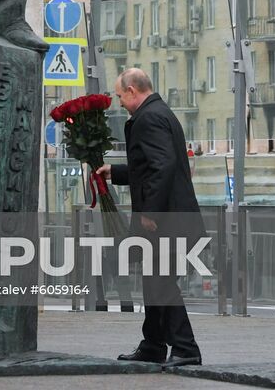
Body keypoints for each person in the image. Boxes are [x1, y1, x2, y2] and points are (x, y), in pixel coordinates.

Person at [96, 68, 204, 368]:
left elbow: (163, 166)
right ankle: (154, 344)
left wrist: (149, 212)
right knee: (154, 282)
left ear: (132, 90)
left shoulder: (149, 118)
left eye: (120, 96)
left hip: (167, 220)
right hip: (173, 219)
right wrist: (115, 172)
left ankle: (185, 348)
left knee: (160, 283)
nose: (119, 102)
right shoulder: (157, 113)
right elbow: (151, 165)